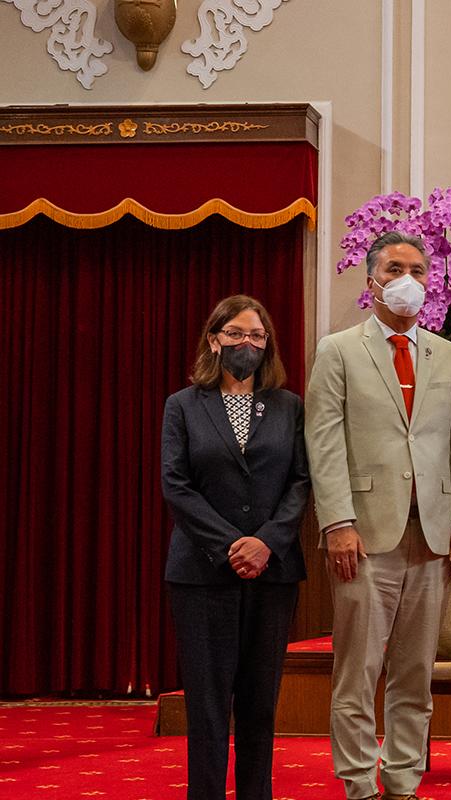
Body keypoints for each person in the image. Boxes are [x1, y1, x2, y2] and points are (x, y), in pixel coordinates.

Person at [307, 231, 451, 800]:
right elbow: (324, 442)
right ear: (372, 281)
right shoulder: (339, 350)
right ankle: (360, 784)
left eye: (417, 269)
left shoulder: (448, 355)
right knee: (358, 673)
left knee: (415, 673)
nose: (407, 279)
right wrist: (337, 522)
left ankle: (403, 782)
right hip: (363, 536)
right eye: (394, 269)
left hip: (432, 537)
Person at [161, 295, 308, 800]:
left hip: (273, 572)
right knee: (206, 705)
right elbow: (176, 484)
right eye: (237, 334)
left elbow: (301, 482)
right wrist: (231, 546)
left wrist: (266, 542)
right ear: (214, 340)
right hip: (202, 573)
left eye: (257, 335)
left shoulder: (288, 406)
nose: (248, 343)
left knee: (259, 703)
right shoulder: (183, 405)